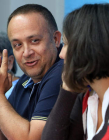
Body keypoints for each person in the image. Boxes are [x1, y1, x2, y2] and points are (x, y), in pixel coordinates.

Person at [0, 4, 63, 140]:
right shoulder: (26, 80)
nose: (26, 53)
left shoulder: (62, 71)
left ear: (55, 39)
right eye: (17, 45)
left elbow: (32, 138)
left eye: (34, 41)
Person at [41, 3, 109, 140]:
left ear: (89, 46)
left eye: (66, 44)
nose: (62, 54)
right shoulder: (87, 97)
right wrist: (67, 89)